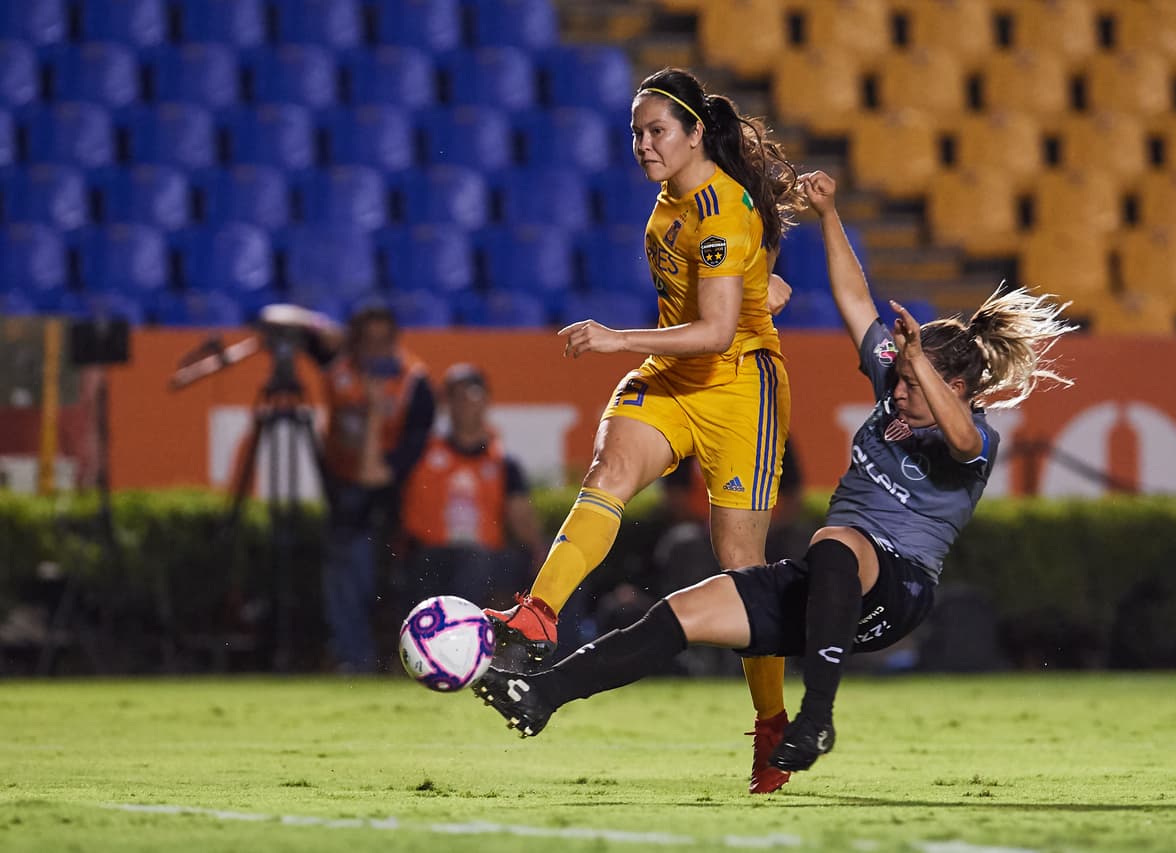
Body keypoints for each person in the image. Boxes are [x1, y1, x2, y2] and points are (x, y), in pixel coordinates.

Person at [473, 170, 1076, 777]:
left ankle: (816, 718)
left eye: (915, 385)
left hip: (897, 590)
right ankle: (541, 694)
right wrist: (831, 214)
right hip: (827, 589)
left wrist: (919, 365)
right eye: (899, 380)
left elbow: (964, 436)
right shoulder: (899, 381)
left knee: (836, 539)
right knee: (683, 612)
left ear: (956, 388)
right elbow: (855, 300)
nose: (897, 394)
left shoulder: (977, 438)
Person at [483, 67, 804, 793]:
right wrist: (766, 282)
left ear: (695, 133)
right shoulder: (673, 200)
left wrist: (614, 340)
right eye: (636, 131)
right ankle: (539, 615)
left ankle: (772, 723)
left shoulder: (718, 207)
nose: (643, 143)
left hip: (739, 392)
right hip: (674, 376)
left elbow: (722, 328)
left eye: (657, 129)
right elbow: (748, 269)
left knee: (743, 576)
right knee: (608, 473)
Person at [320, 305, 434, 672]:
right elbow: (290, 324)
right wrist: (326, 329)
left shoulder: (415, 384)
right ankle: (353, 657)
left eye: (383, 342)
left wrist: (372, 412)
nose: (375, 351)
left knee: (381, 577)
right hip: (343, 495)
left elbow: (374, 474)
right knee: (345, 570)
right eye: (366, 342)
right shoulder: (337, 369)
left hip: (395, 499)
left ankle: (395, 658)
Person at [399, 363, 547, 610]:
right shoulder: (421, 452)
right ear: (447, 404)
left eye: (473, 394)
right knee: (472, 559)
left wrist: (542, 553)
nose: (467, 403)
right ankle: (463, 633)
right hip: (431, 558)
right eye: (457, 396)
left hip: (489, 559)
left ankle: (556, 643)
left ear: (487, 400)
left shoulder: (503, 463)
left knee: (561, 557)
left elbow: (522, 521)